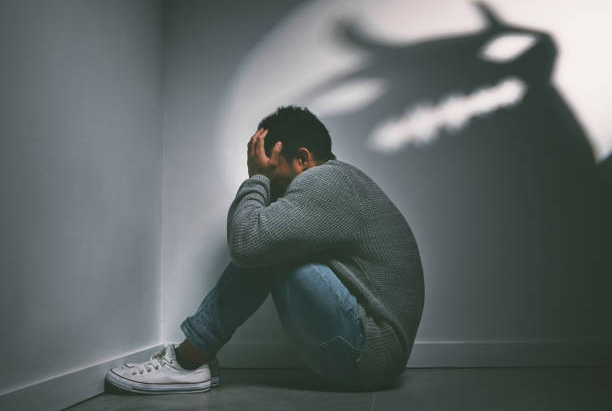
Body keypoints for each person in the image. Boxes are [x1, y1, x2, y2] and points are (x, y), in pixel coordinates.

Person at [105, 105, 425, 393]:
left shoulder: (326, 181)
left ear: (302, 159)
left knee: (266, 247)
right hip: (368, 355)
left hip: (369, 357)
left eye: (275, 174)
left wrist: (256, 177)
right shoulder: (343, 183)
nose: (274, 187)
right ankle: (193, 359)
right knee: (270, 242)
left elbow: (247, 244)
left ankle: (188, 362)